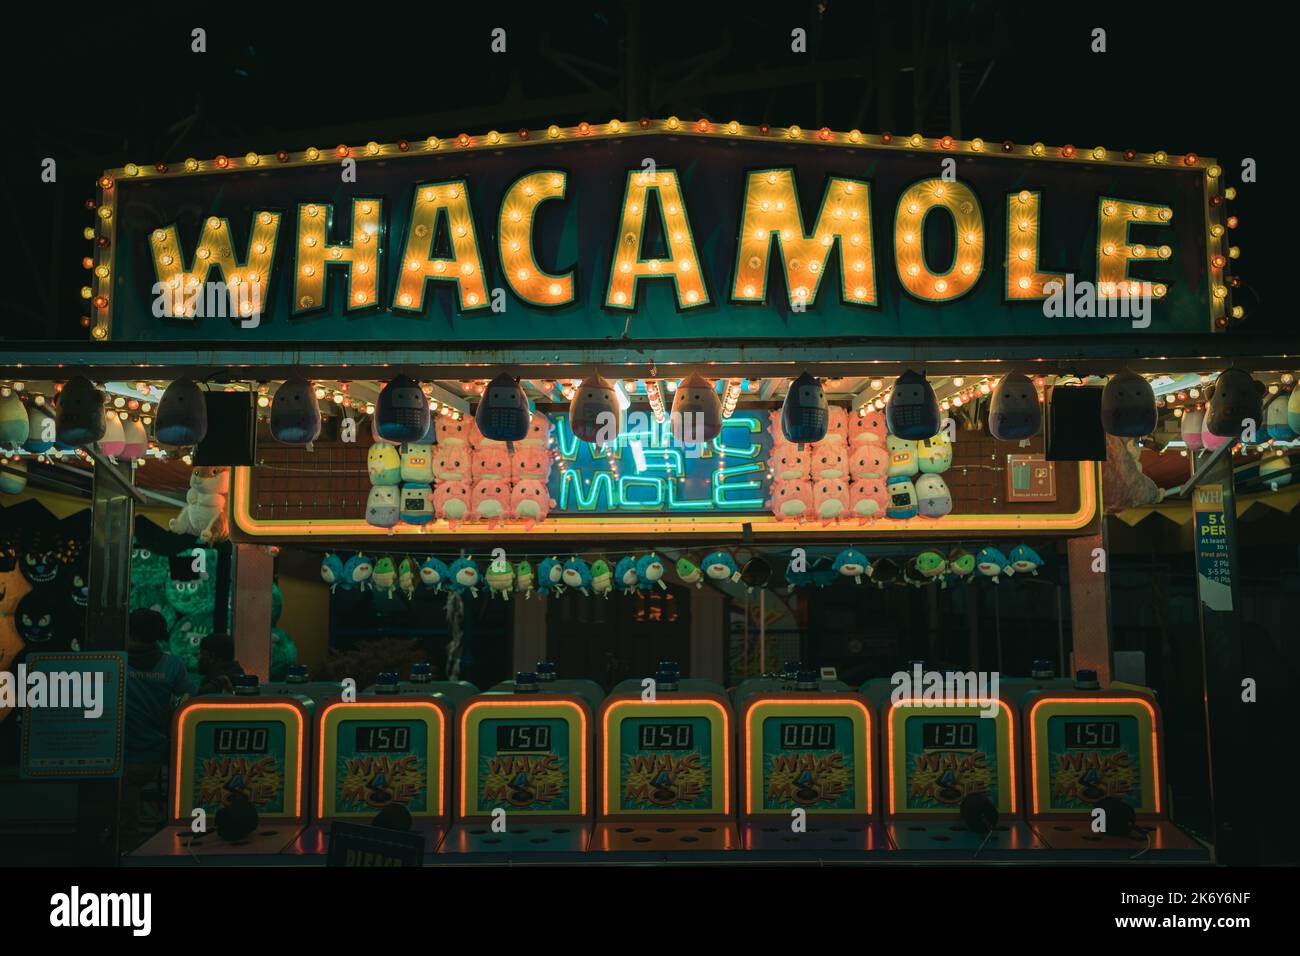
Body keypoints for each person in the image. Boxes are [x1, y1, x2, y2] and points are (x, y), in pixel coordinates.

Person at [122, 608, 194, 850]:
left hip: (117, 753)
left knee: (125, 815)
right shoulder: (173, 665)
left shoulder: (115, 662)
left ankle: (127, 851)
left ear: (129, 630)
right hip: (155, 753)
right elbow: (188, 701)